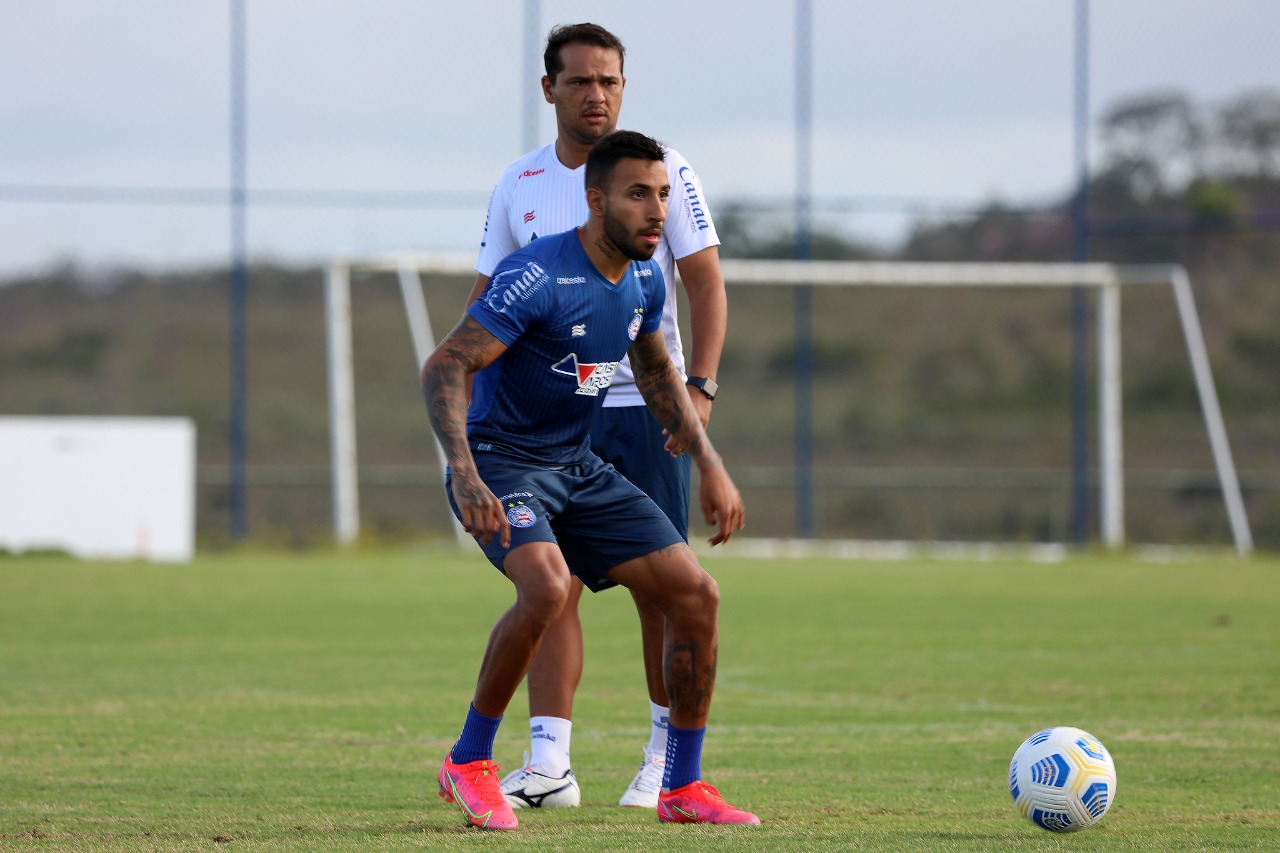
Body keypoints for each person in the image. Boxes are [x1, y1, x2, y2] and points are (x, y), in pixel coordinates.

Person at [425, 131, 757, 831]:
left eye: (664, 195)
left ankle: (682, 785)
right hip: (502, 461)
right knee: (546, 586)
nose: (657, 211)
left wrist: (710, 463)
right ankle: (469, 760)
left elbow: (657, 371)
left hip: (575, 466)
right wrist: (464, 471)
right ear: (597, 198)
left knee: (696, 592)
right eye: (639, 194)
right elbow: (447, 364)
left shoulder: (644, 278)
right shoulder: (537, 275)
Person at [468, 22, 728, 811]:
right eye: (581, 81)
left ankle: (661, 762)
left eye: (610, 81)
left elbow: (705, 284)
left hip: (644, 411)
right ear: (550, 89)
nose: (597, 94)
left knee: (664, 585)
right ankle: (550, 762)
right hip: (547, 424)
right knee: (556, 586)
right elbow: (481, 309)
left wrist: (702, 393)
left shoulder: (661, 171)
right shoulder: (520, 183)